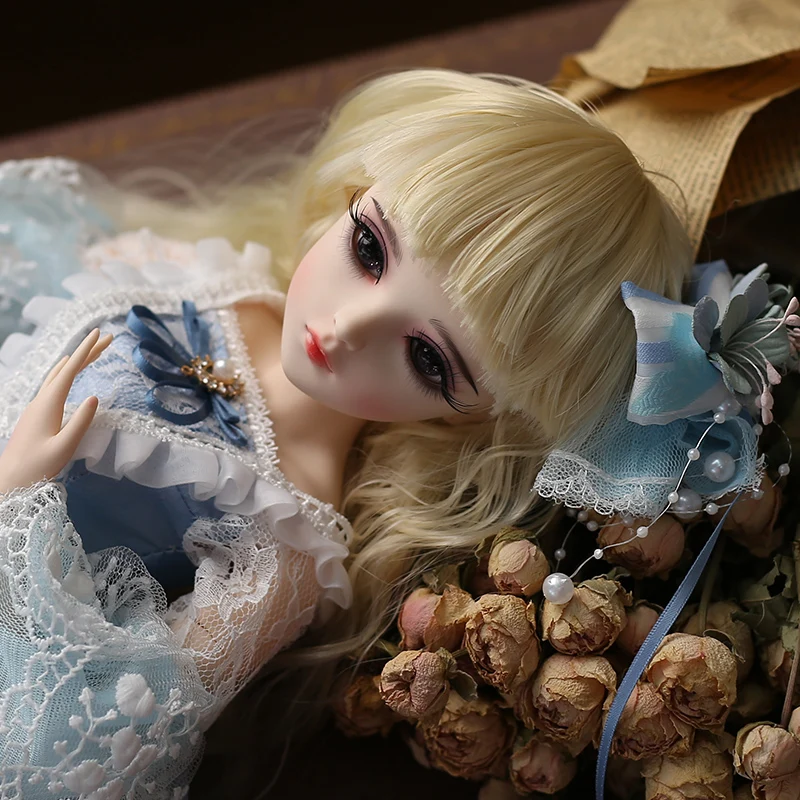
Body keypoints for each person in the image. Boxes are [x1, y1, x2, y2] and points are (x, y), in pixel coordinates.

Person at [0, 69, 772, 799]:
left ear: (478, 417)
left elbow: (112, 725)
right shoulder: (216, 280)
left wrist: (18, 502)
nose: (345, 328)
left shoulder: (288, 544)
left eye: (429, 359)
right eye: (368, 247)